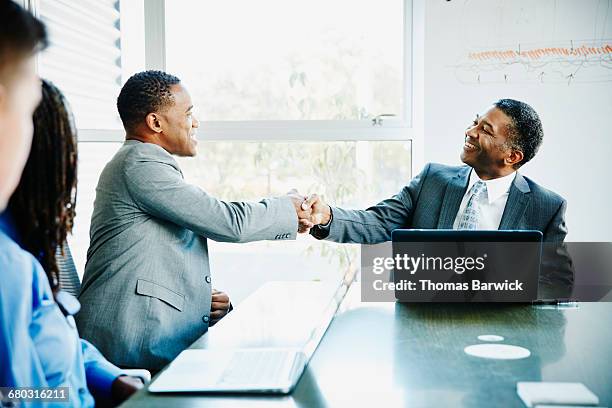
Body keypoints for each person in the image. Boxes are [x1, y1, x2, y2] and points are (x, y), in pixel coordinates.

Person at [76, 70, 311, 371]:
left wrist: (201, 302)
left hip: (140, 342)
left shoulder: (144, 164)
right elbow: (227, 222)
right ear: (156, 123)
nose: (195, 122)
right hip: (126, 347)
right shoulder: (140, 164)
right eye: (188, 113)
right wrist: (289, 209)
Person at [0, 2, 141, 406]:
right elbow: (19, 394)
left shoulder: (33, 251)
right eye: (26, 110)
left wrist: (110, 379)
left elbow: (53, 338)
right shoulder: (9, 266)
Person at [299, 99, 573, 298]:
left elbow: (557, 282)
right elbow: (379, 221)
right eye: (475, 122)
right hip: (424, 315)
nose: (470, 131)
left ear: (512, 156)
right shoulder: (433, 179)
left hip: (501, 328)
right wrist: (326, 216)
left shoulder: (546, 206)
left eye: (485, 130)